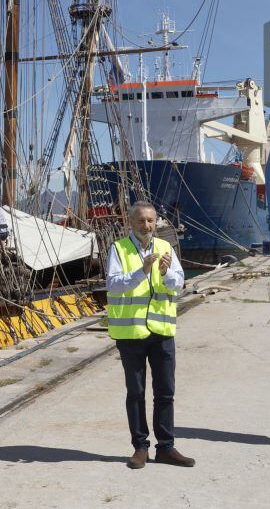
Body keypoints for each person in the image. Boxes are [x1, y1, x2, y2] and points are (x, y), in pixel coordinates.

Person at [106, 201, 194, 469]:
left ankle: (166, 447)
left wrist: (166, 273)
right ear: (131, 222)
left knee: (165, 391)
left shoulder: (166, 248)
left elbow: (178, 284)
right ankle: (140, 447)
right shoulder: (119, 249)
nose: (147, 226)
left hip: (161, 331)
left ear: (156, 223)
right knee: (136, 392)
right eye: (142, 221)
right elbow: (112, 284)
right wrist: (142, 271)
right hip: (131, 333)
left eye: (151, 221)